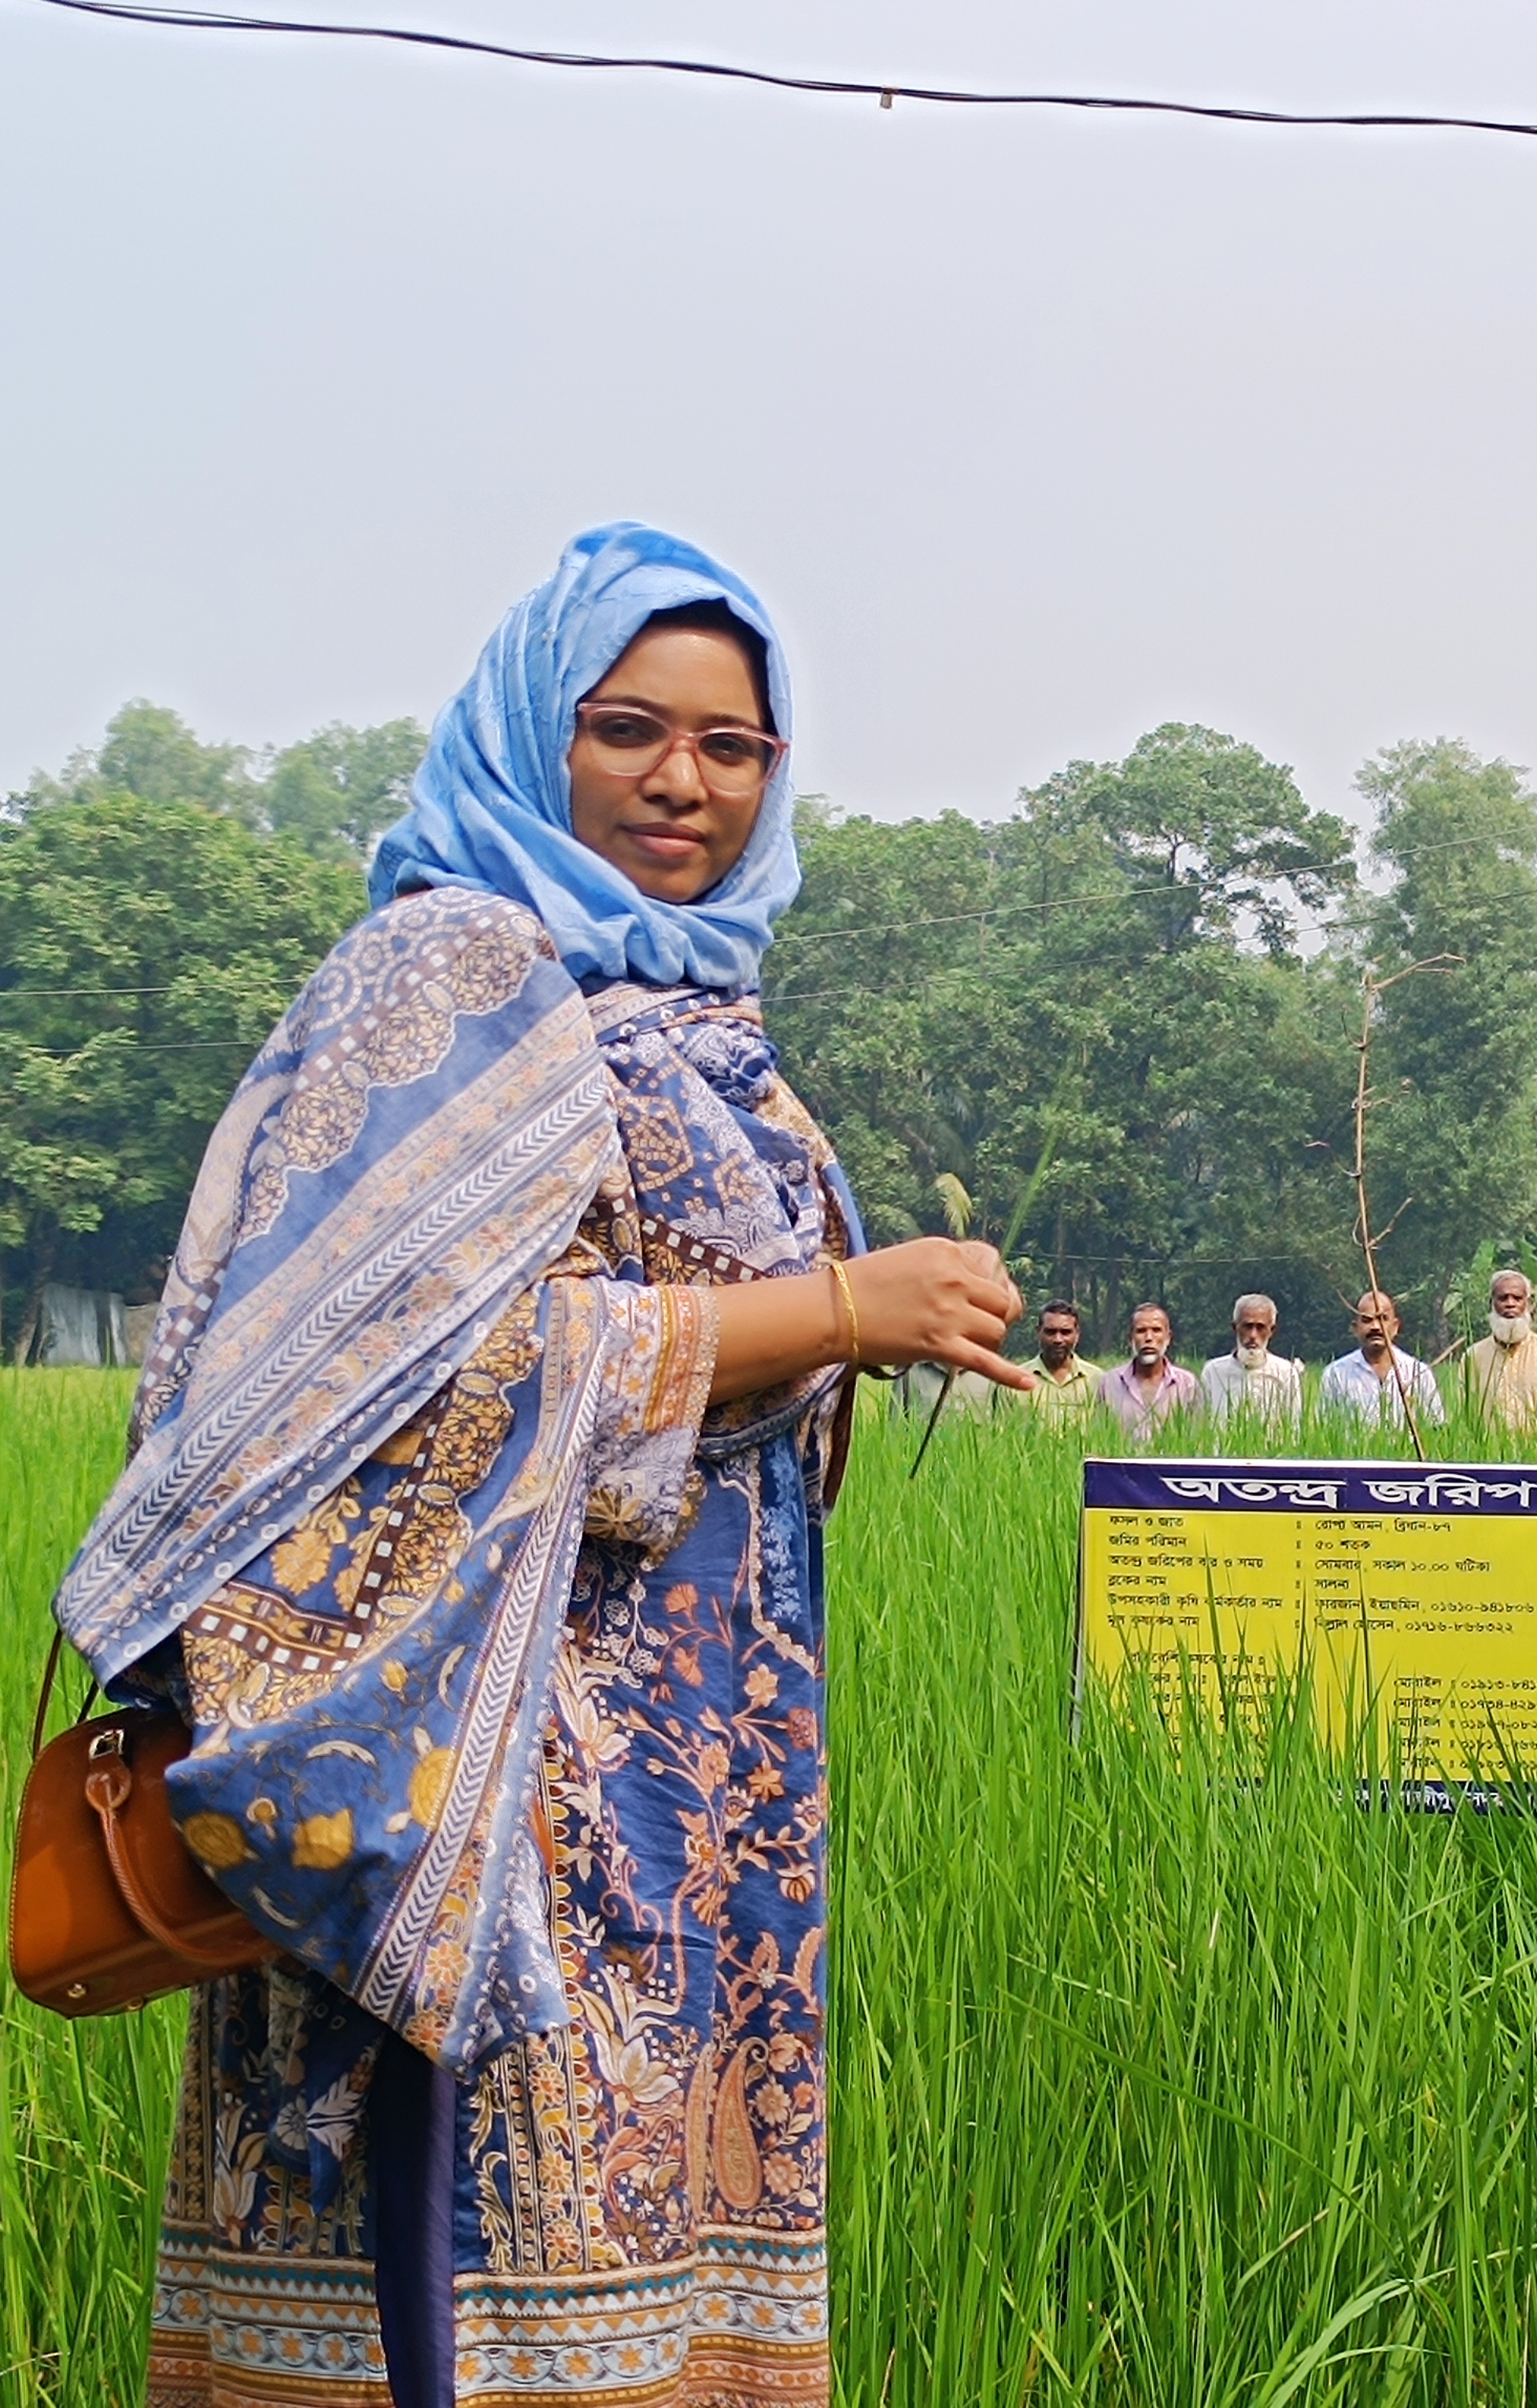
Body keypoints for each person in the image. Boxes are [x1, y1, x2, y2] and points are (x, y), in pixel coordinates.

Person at [48, 525, 1028, 2406]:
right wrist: (837, 1306)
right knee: (478, 2271)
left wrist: (859, 1315)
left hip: (702, 1754)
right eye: (628, 730)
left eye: (732, 747)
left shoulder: (705, 1016)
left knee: (648, 2248)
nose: (683, 783)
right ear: (530, 736)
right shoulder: (448, 968)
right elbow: (409, 1387)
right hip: (485, 1772)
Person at [1461, 1267, 1537, 1437]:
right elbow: (1466, 1417)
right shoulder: (1473, 1357)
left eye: (1517, 1298)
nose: (1510, 1304)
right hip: (1490, 1458)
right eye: (1502, 1298)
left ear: (1528, 1304)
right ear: (1492, 1303)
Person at [1320, 1289, 1448, 1430]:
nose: (1375, 1327)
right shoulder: (1336, 1375)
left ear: (1395, 1327)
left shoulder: (1419, 1374)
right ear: (1355, 1328)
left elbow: (1437, 1428)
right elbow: (1325, 1430)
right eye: (1367, 1320)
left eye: (1383, 1319)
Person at [1102, 1301, 1201, 1442]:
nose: (1149, 1338)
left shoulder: (1187, 1384)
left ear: (1168, 1337)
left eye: (1156, 1330)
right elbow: (1099, 1437)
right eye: (1141, 1331)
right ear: (1130, 1338)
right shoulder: (1110, 1383)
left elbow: (1196, 1439)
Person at [1201, 1291, 1304, 1427]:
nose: (1253, 1335)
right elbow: (1202, 1423)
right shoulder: (1213, 1372)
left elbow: (1294, 1426)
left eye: (1260, 1327)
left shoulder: (1286, 1373)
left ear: (1271, 1330)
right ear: (1235, 1327)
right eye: (1247, 1327)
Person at [1013, 1296, 1098, 1418]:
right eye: (1050, 1332)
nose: (1058, 1340)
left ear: (1077, 1334)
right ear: (1038, 1333)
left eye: (1065, 1332)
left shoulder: (1097, 1381)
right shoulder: (1016, 1381)